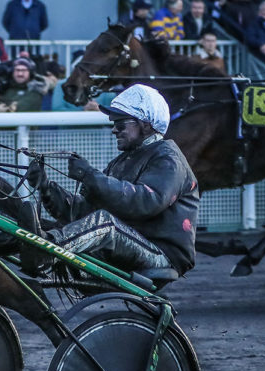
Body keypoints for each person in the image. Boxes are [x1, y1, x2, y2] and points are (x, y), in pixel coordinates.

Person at [27, 84, 200, 278]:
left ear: (145, 124)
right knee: (95, 222)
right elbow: (84, 213)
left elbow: (145, 202)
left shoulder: (168, 159)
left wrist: (90, 176)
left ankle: (45, 249)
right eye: (113, 124)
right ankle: (33, 244)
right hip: (129, 243)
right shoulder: (121, 161)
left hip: (162, 255)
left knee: (106, 224)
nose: (114, 130)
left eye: (120, 123)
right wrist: (46, 187)